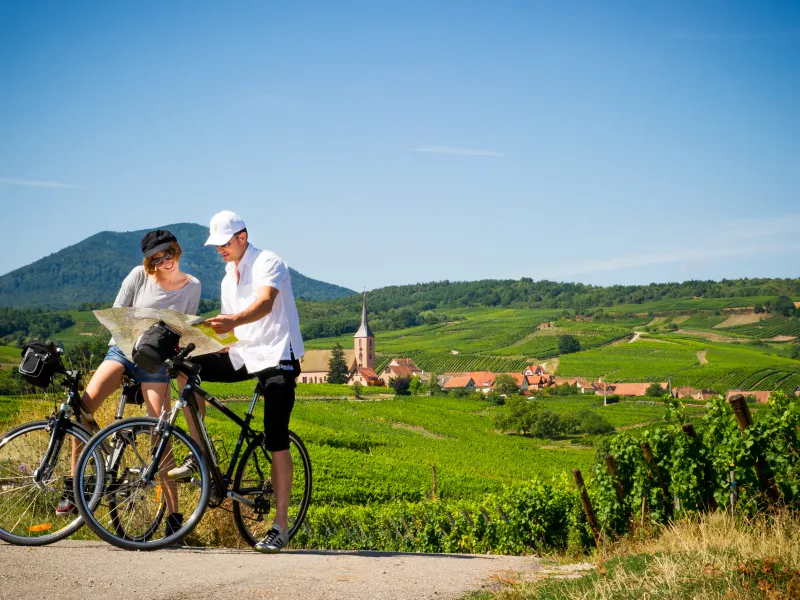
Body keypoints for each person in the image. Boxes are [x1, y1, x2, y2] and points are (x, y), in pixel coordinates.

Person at [170, 210, 304, 553]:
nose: (219, 250)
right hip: (243, 355)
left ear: (242, 237)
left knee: (275, 437)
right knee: (184, 366)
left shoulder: (269, 262)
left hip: (277, 357)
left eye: (224, 243)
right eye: (216, 245)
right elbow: (231, 331)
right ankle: (201, 453)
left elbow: (263, 305)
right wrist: (195, 340)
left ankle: (280, 526)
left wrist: (231, 320)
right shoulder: (228, 278)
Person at [60, 229, 201, 539]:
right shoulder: (139, 275)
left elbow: (184, 329)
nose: (165, 260)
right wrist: (136, 327)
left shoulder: (193, 286)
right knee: (82, 410)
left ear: (177, 250)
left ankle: (174, 515)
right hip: (122, 351)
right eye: (157, 257)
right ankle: (75, 487)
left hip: (155, 363)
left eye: (170, 253)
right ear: (148, 261)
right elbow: (115, 314)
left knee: (159, 432)